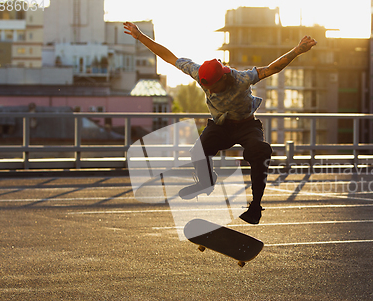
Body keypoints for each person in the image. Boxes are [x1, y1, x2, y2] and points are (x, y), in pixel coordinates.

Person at [124, 22, 317, 224]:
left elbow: (271, 69)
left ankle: (255, 207)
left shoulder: (242, 78)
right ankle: (206, 182)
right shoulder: (198, 73)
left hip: (246, 126)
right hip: (221, 126)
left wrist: (297, 50)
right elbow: (170, 57)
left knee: (259, 152)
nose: (210, 91)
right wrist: (141, 37)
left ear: (223, 78)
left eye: (214, 87)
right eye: (206, 87)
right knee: (199, 150)